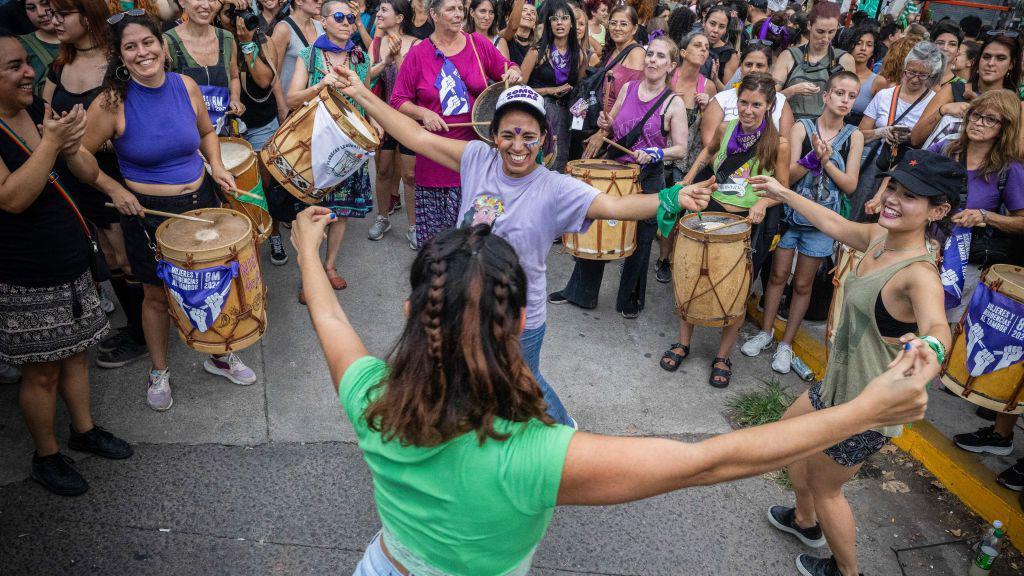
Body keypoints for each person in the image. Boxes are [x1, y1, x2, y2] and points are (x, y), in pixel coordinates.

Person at [291, 205, 937, 575]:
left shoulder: (371, 397)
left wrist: (308, 250)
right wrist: (865, 409)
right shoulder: (535, 458)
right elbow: (711, 460)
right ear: (520, 323)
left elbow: (328, 320)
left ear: (411, 315)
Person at [337, 65, 712, 425]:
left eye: (529, 136)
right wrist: (362, 94)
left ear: (544, 139)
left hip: (521, 316)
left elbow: (616, 205)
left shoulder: (555, 188)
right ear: (493, 134)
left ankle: (562, 428)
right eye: (509, 134)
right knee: (474, 372)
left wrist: (672, 199)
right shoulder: (476, 159)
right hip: (466, 302)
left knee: (523, 380)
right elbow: (415, 136)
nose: (518, 146)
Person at [751, 148, 956, 576]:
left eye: (911, 196)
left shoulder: (919, 274)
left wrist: (930, 350)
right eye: (893, 187)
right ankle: (806, 524)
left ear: (938, 210)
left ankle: (848, 572)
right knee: (790, 442)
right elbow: (837, 224)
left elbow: (938, 325)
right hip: (835, 387)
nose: (893, 199)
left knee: (829, 490)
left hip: (866, 410)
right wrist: (784, 192)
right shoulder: (880, 238)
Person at [64, 12, 255, 412]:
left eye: (148, 43)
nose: (142, 52)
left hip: (202, 202)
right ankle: (159, 370)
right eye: (130, 46)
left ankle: (219, 352)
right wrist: (113, 188)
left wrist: (216, 165)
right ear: (120, 54)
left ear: (162, 45)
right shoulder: (111, 101)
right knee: (155, 295)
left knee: (212, 281)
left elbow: (206, 131)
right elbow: (77, 155)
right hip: (150, 213)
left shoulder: (185, 85)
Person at [0, 28, 132, 496]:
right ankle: (46, 455)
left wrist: (73, 144)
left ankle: (84, 430)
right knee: (42, 370)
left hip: (71, 255)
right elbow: (12, 199)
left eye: (26, 63)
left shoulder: (36, 109)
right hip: (28, 273)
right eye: (14, 66)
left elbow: (76, 167)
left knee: (77, 354)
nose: (29, 72)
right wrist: (52, 144)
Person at [661, 72, 789, 387]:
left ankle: (722, 355)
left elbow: (783, 189)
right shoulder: (724, 127)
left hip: (746, 222)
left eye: (756, 104)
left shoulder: (779, 144)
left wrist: (764, 204)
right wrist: (688, 179)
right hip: (711, 210)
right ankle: (683, 343)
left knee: (737, 289)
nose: (748, 110)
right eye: (743, 102)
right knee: (692, 275)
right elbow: (707, 151)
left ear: (769, 106)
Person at [549, 35, 690, 318]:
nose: (652, 60)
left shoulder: (673, 103)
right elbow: (611, 125)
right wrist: (605, 123)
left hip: (648, 175)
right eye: (650, 54)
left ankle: (630, 299)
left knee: (642, 238)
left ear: (671, 65)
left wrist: (657, 153)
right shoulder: (628, 87)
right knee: (595, 227)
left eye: (661, 56)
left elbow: (682, 148)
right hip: (615, 168)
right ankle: (581, 292)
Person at [44, 0, 147, 369]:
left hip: (116, 173)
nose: (50, 20)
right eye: (49, 13)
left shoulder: (118, 61)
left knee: (126, 254)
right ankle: (135, 325)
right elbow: (45, 115)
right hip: (77, 175)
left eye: (61, 14)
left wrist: (98, 137)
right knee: (107, 251)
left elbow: (140, 114)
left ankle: (142, 332)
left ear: (87, 16)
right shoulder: (59, 65)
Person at [742, 71, 863, 374]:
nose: (844, 100)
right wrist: (811, 158)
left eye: (851, 96)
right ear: (826, 96)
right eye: (839, 93)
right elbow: (787, 179)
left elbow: (850, 185)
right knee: (777, 275)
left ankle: (786, 343)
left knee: (804, 283)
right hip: (789, 215)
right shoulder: (801, 128)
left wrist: (826, 163)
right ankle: (766, 332)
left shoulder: (855, 136)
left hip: (823, 223)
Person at [938, 91, 1024, 493]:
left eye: (990, 120)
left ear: (1004, 128)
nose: (979, 123)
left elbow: (1021, 222)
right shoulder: (948, 149)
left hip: (970, 260)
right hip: (932, 246)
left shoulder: (1008, 170)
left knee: (950, 324)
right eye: (977, 115)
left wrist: (985, 216)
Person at [390, 0, 519, 247]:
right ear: (434, 15)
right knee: (439, 249)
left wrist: (513, 72)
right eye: (451, 9)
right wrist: (423, 114)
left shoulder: (477, 43)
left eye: (460, 8)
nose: (458, 14)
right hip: (434, 158)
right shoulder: (418, 54)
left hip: (478, 160)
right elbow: (398, 100)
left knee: (477, 246)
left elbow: (508, 67)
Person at [286, 0, 375, 298]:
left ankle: (329, 266)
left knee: (343, 211)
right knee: (312, 211)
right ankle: (307, 274)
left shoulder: (360, 56)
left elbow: (367, 98)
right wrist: (319, 85)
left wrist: (376, 122)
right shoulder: (309, 55)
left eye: (351, 17)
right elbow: (291, 99)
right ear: (323, 21)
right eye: (339, 16)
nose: (347, 22)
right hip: (313, 146)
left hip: (349, 147)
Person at [219, 0, 289, 266]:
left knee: (265, 185)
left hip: (261, 123)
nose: (238, 20)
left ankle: (273, 232)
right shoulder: (217, 41)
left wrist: (247, 41)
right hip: (227, 128)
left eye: (243, 14)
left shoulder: (262, 39)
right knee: (234, 190)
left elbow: (264, 80)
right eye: (231, 14)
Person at [654, 30, 716, 283]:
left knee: (675, 212)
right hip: (662, 155)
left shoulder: (707, 85)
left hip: (689, 161)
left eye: (707, 47)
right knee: (654, 210)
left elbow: (710, 134)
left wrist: (707, 105)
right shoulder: (668, 79)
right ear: (682, 52)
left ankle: (664, 260)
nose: (703, 50)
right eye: (697, 45)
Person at [858, 42, 943, 219]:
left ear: (932, 76)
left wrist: (912, 137)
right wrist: (881, 132)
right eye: (911, 72)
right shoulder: (885, 95)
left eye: (923, 75)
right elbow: (859, 135)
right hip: (876, 163)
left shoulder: (935, 102)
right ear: (905, 68)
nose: (915, 79)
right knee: (860, 210)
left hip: (909, 172)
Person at [911, 33, 1023, 149]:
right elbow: (915, 138)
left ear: (1011, 64)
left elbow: (1014, 152)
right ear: (978, 60)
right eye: (986, 57)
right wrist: (943, 110)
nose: (991, 63)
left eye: (1000, 58)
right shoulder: (954, 90)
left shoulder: (1015, 105)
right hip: (934, 161)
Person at [366, 0, 417, 242]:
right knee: (383, 170)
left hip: (408, 119)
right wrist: (385, 61)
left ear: (399, 18)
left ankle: (414, 226)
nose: (378, 14)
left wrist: (397, 58)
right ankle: (382, 218)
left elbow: (412, 84)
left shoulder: (417, 44)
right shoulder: (376, 44)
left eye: (384, 10)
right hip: (385, 116)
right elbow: (365, 78)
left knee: (410, 175)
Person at [700, 43, 793, 163]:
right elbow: (710, 147)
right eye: (748, 64)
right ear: (740, 66)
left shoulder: (780, 102)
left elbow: (785, 148)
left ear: (769, 69)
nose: (753, 69)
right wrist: (734, 176)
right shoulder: (721, 99)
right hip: (723, 173)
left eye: (760, 65)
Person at [521, 0, 583, 173]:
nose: (559, 23)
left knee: (559, 163)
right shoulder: (537, 52)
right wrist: (549, 91)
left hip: (565, 114)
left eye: (564, 18)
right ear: (549, 24)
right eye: (555, 19)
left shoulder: (580, 55)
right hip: (540, 110)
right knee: (536, 160)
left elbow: (581, 89)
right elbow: (519, 87)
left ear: (572, 24)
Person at [164, 0, 244, 134]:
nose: (206, 5)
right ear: (182, 2)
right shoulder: (168, 42)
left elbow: (234, 76)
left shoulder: (226, 38)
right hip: (187, 138)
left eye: (212, 0)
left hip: (222, 133)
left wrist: (235, 98)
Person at [771, 0, 853, 120]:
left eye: (831, 32)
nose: (825, 38)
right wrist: (793, 90)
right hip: (790, 124)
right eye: (820, 31)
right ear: (809, 25)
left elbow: (849, 102)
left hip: (826, 128)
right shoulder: (789, 56)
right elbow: (769, 98)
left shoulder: (844, 60)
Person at [270, 0, 323, 97]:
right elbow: (274, 74)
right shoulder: (283, 29)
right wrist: (282, 106)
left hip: (317, 102)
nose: (320, 1)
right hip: (291, 103)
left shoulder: (320, 26)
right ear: (299, 1)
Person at [19, 0, 58, 96]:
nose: (40, 13)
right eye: (31, 8)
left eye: (46, 3)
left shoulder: (85, 39)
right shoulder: (19, 46)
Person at [843, 25, 878, 126]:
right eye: (858, 43)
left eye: (869, 45)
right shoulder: (836, 73)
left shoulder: (878, 82)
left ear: (873, 50)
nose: (863, 48)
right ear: (850, 45)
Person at [699, 3, 736, 90]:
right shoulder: (692, 43)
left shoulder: (730, 55)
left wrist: (716, 80)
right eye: (712, 24)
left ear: (726, 29)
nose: (715, 30)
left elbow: (729, 93)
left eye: (721, 27)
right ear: (704, 22)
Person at [930, 20, 962, 88]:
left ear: (958, 51)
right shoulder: (917, 77)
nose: (945, 48)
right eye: (940, 43)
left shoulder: (961, 87)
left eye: (952, 44)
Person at [505, 0, 534, 65]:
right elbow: (512, 27)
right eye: (524, 10)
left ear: (535, 24)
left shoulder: (537, 47)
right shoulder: (506, 39)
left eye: (533, 13)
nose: (529, 13)